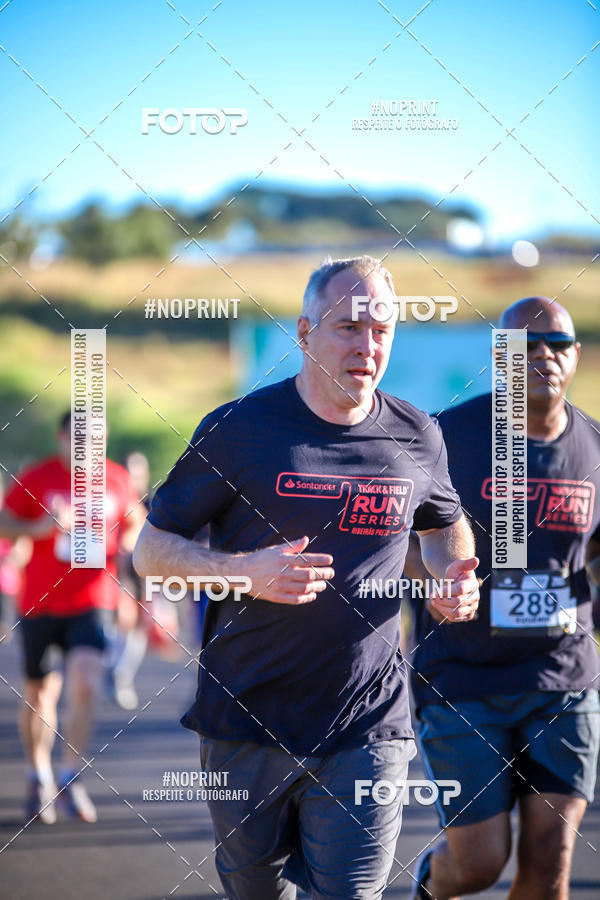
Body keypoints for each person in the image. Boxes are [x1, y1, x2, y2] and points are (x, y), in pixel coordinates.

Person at [133, 256, 480, 900]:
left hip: (368, 725)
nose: (367, 345)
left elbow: (443, 526)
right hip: (246, 722)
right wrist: (242, 573)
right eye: (348, 326)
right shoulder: (240, 429)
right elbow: (150, 551)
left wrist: (454, 575)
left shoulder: (416, 434)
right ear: (303, 332)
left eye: (381, 329)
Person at [408, 297, 600, 900]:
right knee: (479, 867)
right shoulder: (445, 437)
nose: (543, 354)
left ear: (575, 356)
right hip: (463, 680)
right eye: (526, 344)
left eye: (559, 344)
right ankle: (431, 884)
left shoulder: (596, 448)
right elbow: (394, 541)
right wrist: (434, 577)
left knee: (550, 864)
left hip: (562, 677)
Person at [0, 411, 144, 824]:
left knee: (86, 681)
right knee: (40, 694)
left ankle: (69, 776)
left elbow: (135, 523)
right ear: (63, 438)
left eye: (99, 440)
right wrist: (41, 528)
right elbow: (3, 523)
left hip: (93, 598)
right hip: (40, 602)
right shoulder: (38, 477)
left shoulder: (116, 478)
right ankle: (37, 774)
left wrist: (127, 545)